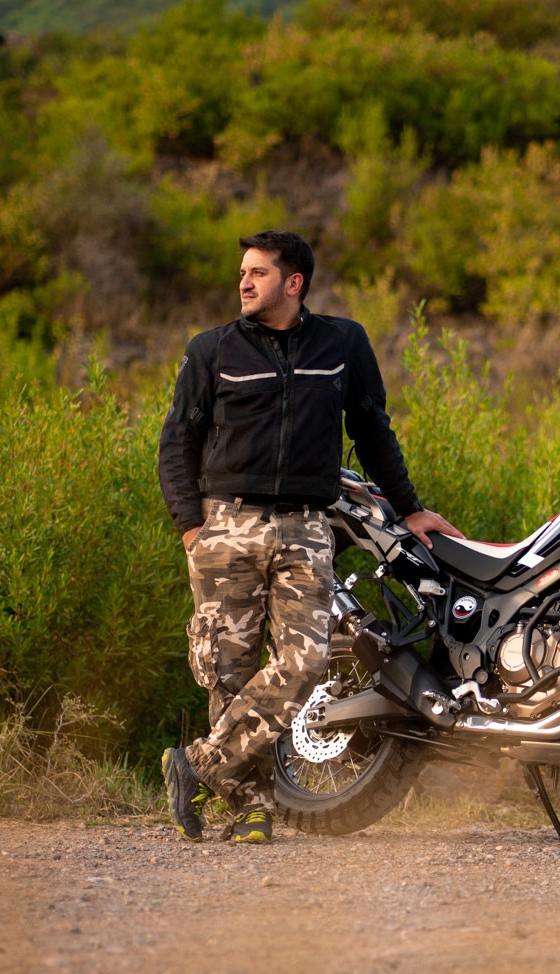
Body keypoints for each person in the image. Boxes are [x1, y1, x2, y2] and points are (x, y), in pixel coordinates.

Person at [158, 230, 461, 844]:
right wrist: (192, 527)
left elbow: (373, 430)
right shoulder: (211, 350)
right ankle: (248, 809)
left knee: (307, 661)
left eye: (259, 273)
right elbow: (176, 444)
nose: (244, 282)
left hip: (306, 525)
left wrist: (410, 509)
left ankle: (196, 765)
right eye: (242, 272)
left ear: (293, 283)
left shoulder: (342, 343)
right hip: (227, 522)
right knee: (228, 668)